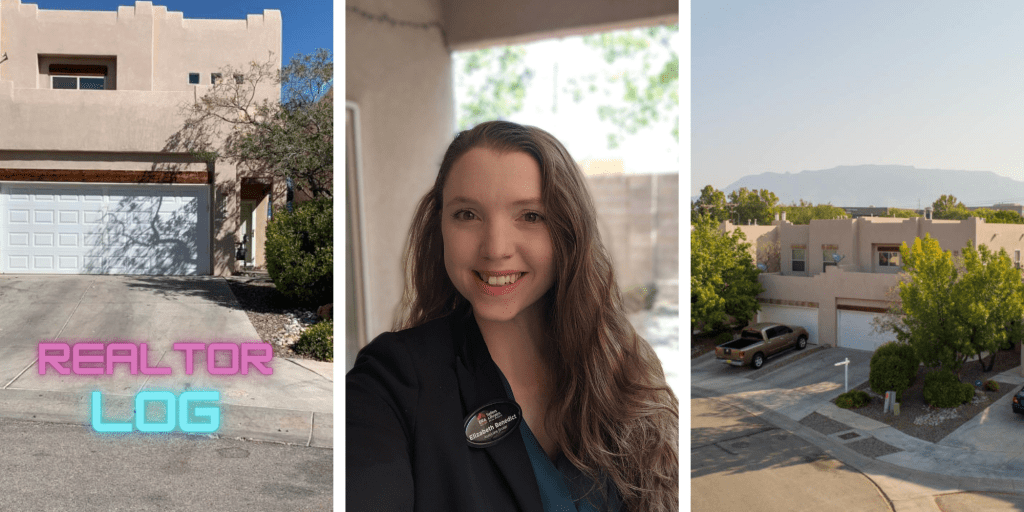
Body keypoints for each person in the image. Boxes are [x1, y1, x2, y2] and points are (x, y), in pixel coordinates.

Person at [347, 121, 678, 511]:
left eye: (530, 216)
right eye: (467, 214)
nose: (496, 248)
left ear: (569, 232)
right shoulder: (392, 381)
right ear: (440, 227)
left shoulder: (628, 369)